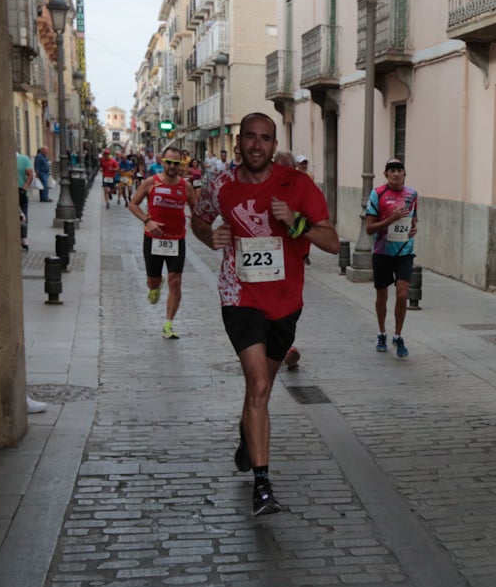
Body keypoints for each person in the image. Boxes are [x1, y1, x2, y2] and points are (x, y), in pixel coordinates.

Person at [190, 112, 339, 515]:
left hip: (286, 302)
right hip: (238, 294)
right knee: (257, 383)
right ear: (239, 142)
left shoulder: (298, 185)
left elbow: (333, 242)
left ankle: (247, 437)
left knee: (263, 388)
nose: (257, 145)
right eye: (250, 138)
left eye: (266, 138)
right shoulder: (219, 184)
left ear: (275, 145)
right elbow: (199, 219)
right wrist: (210, 236)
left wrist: (296, 222)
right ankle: (263, 486)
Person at [128, 146, 193, 339]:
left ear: (181, 164)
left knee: (176, 281)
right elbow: (133, 204)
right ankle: (155, 285)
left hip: (177, 240)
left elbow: (197, 210)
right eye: (169, 162)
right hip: (153, 240)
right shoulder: (150, 183)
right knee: (152, 282)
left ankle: (168, 324)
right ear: (162, 161)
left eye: (176, 163)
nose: (172, 166)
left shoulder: (186, 186)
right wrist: (148, 221)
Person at [363, 158, 418, 358]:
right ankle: (381, 332)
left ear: (404, 174)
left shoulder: (412, 194)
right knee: (382, 296)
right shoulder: (377, 194)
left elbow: (413, 220)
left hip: (404, 251)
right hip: (382, 252)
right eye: (392, 171)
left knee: (402, 294)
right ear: (386, 174)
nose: (396, 174)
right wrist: (390, 220)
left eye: (399, 170)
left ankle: (397, 335)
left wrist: (413, 229)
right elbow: (369, 228)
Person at [15, 150, 35, 251]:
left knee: (23, 215)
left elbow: (31, 175)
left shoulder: (24, 159)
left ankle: (24, 237)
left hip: (21, 191)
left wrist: (24, 188)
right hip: (9, 191)